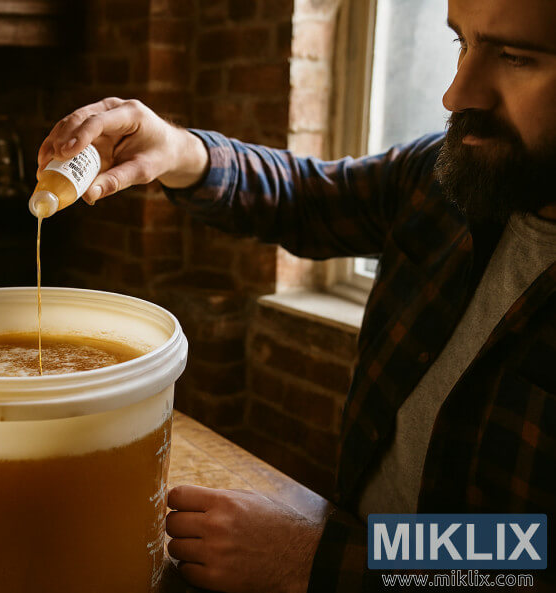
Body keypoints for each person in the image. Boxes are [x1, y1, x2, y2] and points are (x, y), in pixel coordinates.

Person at [37, 0, 556, 591]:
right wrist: (177, 152)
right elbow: (309, 197)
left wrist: (315, 557)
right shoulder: (457, 173)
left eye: (516, 57)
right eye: (462, 44)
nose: (457, 94)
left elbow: (532, 558)